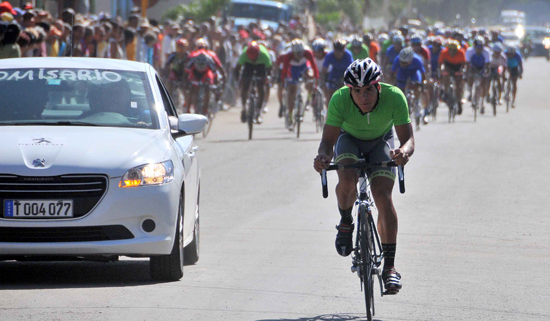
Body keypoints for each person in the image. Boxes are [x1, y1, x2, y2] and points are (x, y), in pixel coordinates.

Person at [313, 58, 414, 295]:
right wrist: (323, 157)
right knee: (346, 179)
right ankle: (346, 221)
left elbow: (408, 140)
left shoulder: (395, 96)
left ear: (378, 87)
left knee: (382, 196)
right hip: (348, 139)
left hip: (381, 140)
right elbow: (327, 142)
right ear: (350, 91)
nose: (363, 97)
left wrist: (403, 153)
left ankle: (389, 267)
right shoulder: (339, 99)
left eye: (368, 90)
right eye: (356, 91)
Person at [279, 38, 319, 129]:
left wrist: (315, 81)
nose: (299, 55)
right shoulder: (288, 56)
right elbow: (284, 71)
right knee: (292, 91)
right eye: (296, 54)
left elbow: (314, 67)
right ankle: (290, 114)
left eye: (300, 53)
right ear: (293, 52)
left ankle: (309, 98)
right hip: (293, 69)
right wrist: (283, 82)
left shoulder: (308, 53)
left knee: (310, 78)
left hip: (304, 67)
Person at [234, 41, 272, 124]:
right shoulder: (244, 54)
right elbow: (237, 69)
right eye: (251, 58)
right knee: (245, 86)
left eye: (254, 58)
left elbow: (269, 69)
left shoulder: (264, 54)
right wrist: (239, 80)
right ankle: (244, 108)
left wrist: (267, 79)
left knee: (261, 87)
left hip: (261, 65)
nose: (253, 60)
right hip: (248, 65)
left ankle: (258, 112)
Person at [391, 47, 427, 129]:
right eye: (402, 62)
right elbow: (392, 72)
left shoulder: (417, 60)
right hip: (402, 74)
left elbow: (423, 74)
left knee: (417, 88)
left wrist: (422, 84)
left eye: (405, 62)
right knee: (400, 91)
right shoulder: (397, 60)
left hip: (414, 74)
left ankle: (417, 103)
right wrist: (393, 83)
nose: (403, 64)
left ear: (411, 60)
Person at [321, 39, 353, 108]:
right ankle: (329, 112)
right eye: (336, 50)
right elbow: (324, 70)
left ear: (344, 50)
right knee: (330, 94)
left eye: (341, 50)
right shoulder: (329, 55)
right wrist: (323, 81)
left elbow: (351, 70)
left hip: (345, 74)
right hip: (334, 74)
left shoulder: (348, 55)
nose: (338, 53)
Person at [438, 40, 466, 114]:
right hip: (448, 65)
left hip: (457, 66)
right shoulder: (444, 52)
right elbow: (440, 64)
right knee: (445, 77)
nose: (452, 52)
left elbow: (463, 64)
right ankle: (446, 92)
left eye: (454, 50)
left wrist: (461, 71)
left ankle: (459, 101)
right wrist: (441, 71)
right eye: (451, 50)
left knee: (458, 84)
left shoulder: (461, 52)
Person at [465, 36, 491, 113]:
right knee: (470, 76)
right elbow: (467, 63)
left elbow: (487, 64)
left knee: (483, 84)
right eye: (477, 47)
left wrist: (486, 72)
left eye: (481, 47)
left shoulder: (486, 51)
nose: (479, 49)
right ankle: (470, 91)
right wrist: (467, 73)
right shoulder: (469, 51)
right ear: (474, 46)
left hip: (482, 67)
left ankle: (482, 102)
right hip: (473, 67)